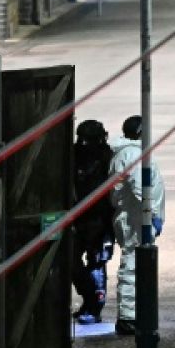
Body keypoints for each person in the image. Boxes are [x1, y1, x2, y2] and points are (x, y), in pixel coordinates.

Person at [108, 115, 166, 336]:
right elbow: (141, 187)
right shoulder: (132, 154)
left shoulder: (130, 152)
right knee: (131, 266)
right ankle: (127, 316)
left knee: (135, 265)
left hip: (137, 216)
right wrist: (150, 214)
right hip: (135, 218)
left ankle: (132, 313)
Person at [71, 119, 116, 324]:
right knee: (75, 261)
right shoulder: (76, 155)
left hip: (99, 218)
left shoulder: (108, 157)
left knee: (96, 262)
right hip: (82, 217)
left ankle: (94, 306)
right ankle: (90, 300)